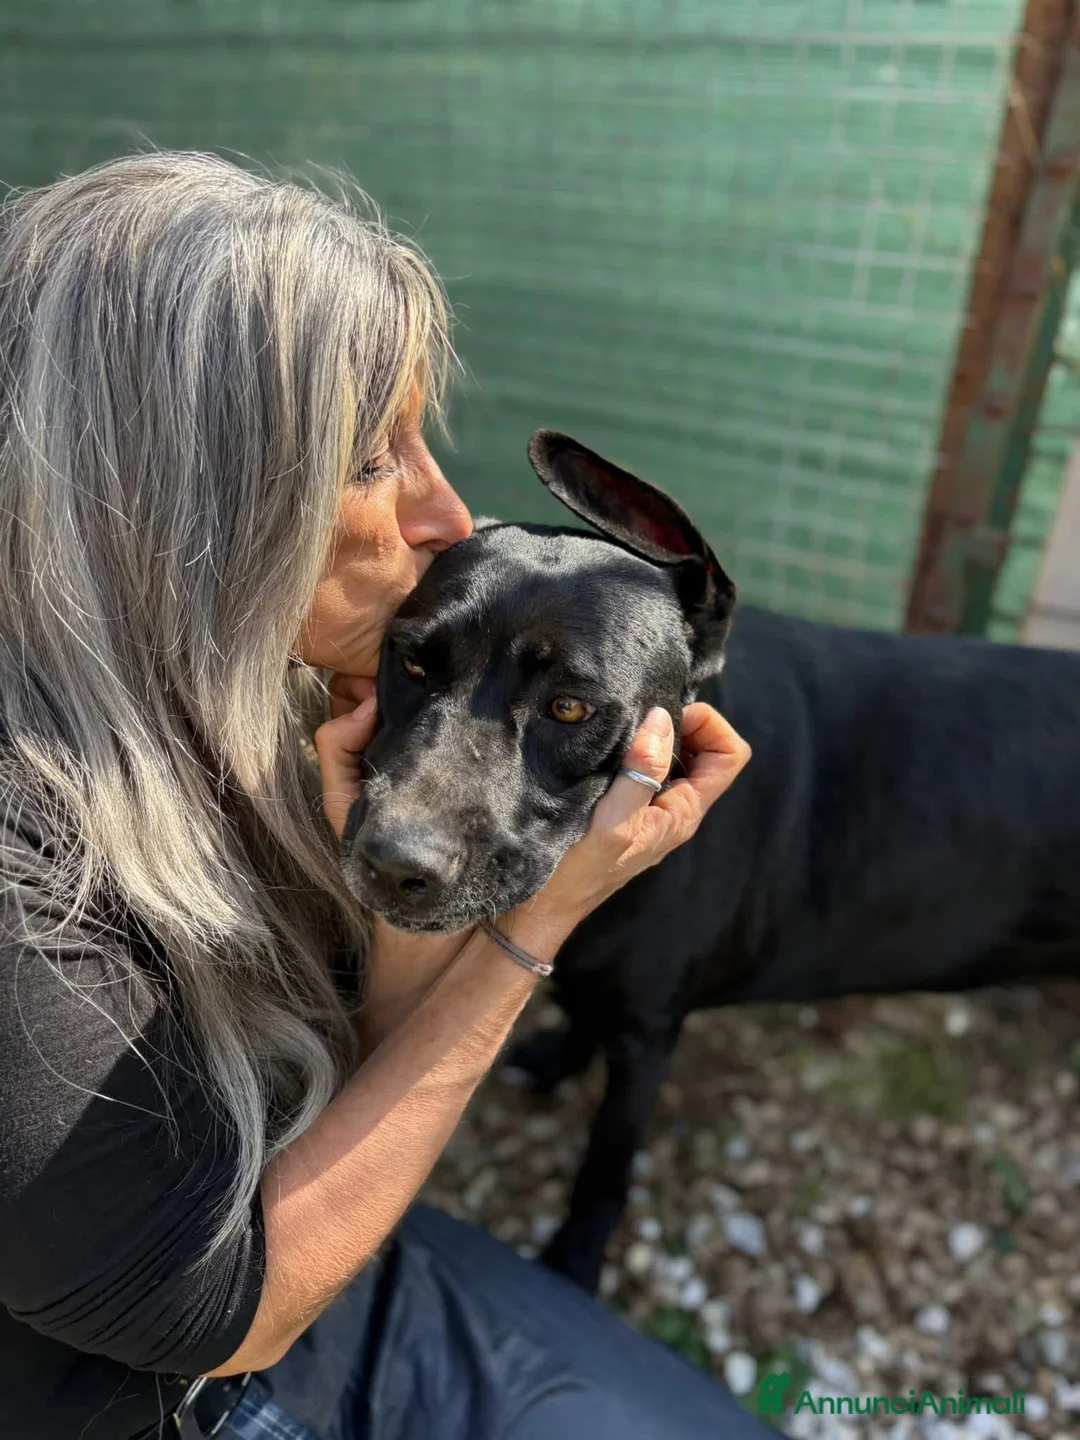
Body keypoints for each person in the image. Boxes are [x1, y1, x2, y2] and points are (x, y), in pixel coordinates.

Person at [0, 152, 770, 1440]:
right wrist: (527, 935)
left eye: (426, 441)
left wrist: (414, 884)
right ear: (173, 501)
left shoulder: (277, 692)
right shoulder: (25, 867)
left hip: (319, 1232)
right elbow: (223, 1309)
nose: (448, 513)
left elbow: (340, 1080)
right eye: (371, 458)